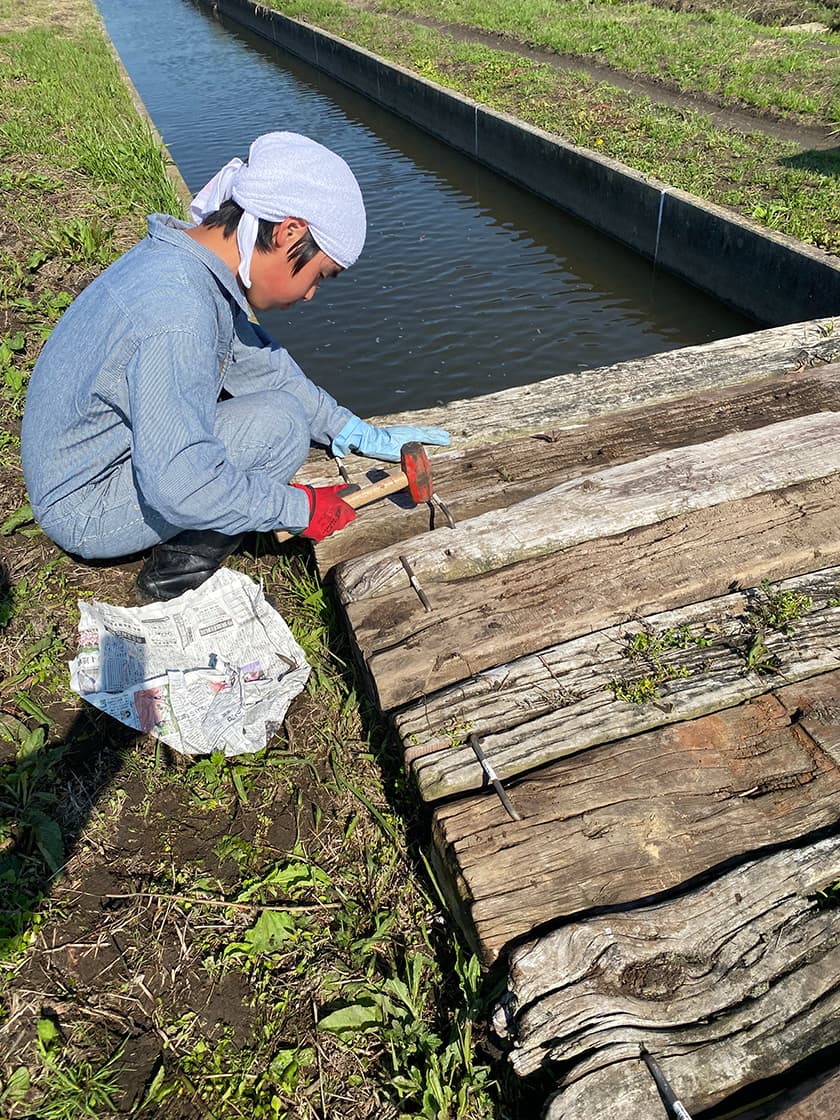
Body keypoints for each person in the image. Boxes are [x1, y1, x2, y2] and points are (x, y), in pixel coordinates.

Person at [21, 131, 449, 602]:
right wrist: (296, 507)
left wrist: (350, 429)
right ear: (289, 232)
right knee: (281, 433)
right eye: (318, 277)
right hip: (85, 506)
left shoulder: (186, 263)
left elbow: (262, 367)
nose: (309, 294)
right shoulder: (179, 314)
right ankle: (175, 570)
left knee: (282, 410)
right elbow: (179, 482)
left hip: (78, 463)